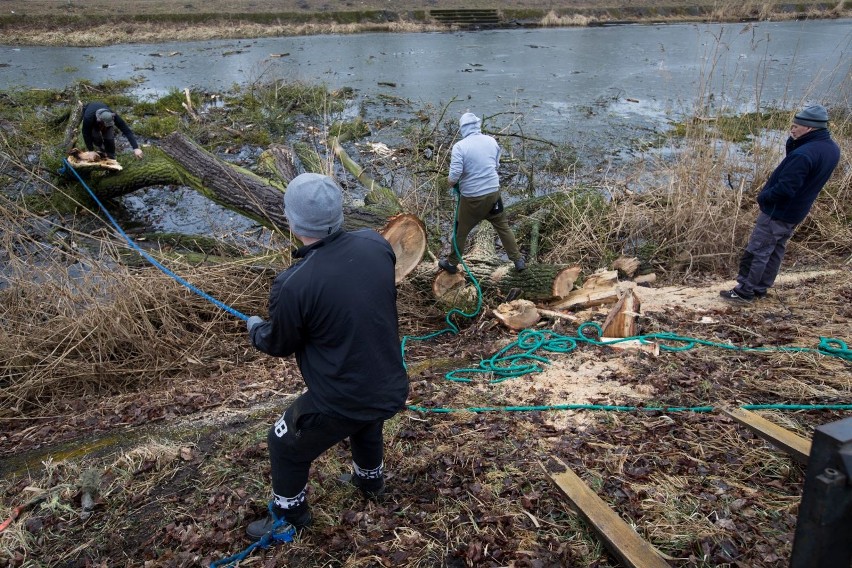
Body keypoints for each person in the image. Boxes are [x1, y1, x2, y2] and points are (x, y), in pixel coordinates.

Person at [245, 173, 409, 538]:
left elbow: (279, 343)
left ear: (292, 220)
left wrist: (256, 328)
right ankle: (370, 483)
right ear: (339, 213)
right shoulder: (376, 245)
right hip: (387, 381)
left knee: (283, 443)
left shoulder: (294, 284)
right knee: (366, 419)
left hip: (343, 395)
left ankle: (290, 519)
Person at [720, 104, 840, 303]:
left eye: (795, 126)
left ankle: (744, 291)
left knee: (757, 250)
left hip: (778, 212)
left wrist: (763, 197)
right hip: (797, 211)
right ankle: (760, 287)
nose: (791, 129)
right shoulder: (831, 148)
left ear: (809, 128)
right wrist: (794, 142)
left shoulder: (803, 155)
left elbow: (785, 189)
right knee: (776, 250)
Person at [438, 112, 526, 274]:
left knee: (460, 231)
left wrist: (452, 183)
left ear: (463, 128)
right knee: (503, 227)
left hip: (472, 199)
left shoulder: (460, 147)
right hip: (493, 194)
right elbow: (495, 165)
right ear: (478, 126)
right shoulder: (491, 141)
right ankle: (518, 260)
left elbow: (454, 176)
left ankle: (451, 263)